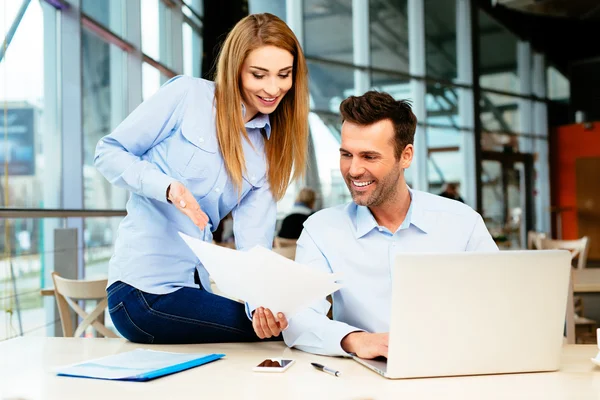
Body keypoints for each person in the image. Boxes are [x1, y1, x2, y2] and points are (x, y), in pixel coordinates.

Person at [94, 13, 308, 344]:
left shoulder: (267, 152)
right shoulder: (187, 96)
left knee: (274, 328)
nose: (272, 88)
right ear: (236, 68)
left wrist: (260, 308)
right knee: (277, 337)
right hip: (141, 292)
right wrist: (167, 188)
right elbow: (108, 152)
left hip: (192, 290)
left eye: (283, 75)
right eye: (258, 74)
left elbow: (254, 244)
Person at [274, 91, 498, 358]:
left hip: (454, 365)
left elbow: (499, 306)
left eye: (369, 157)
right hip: (363, 376)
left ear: (405, 156)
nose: (354, 170)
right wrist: (355, 340)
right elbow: (299, 318)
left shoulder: (462, 223)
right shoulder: (321, 230)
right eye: (347, 154)